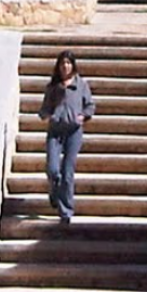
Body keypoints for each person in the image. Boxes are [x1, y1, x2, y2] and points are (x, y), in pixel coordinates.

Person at [38, 50, 96, 225]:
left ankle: (66, 211)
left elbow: (90, 106)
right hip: (55, 132)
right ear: (58, 66)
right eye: (63, 63)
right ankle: (55, 193)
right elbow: (44, 108)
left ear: (73, 65)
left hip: (73, 132)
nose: (65, 66)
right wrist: (48, 116)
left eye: (69, 63)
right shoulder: (53, 87)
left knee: (67, 171)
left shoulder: (81, 85)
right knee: (53, 169)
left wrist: (83, 116)